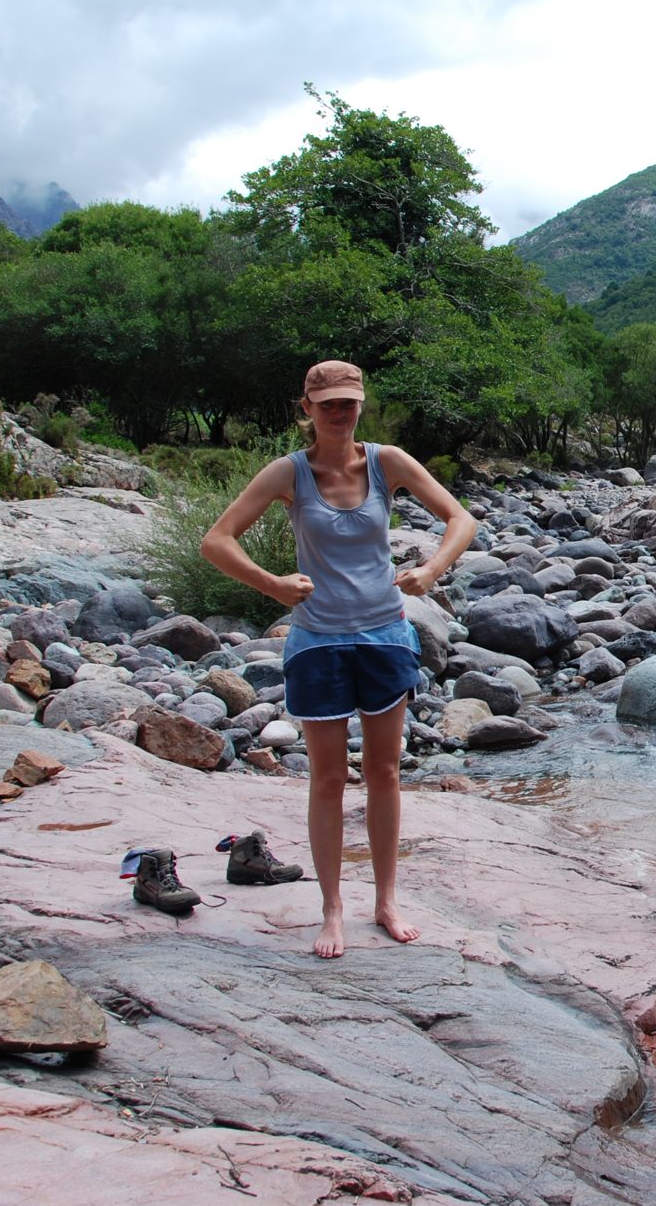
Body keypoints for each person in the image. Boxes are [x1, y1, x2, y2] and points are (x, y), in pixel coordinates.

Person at [201, 360, 477, 958]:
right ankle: (331, 908)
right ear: (307, 408)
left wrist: (431, 569)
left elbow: (461, 519)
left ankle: (386, 901)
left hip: (383, 635)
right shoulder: (290, 473)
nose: (339, 412)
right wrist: (272, 585)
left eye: (348, 402)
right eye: (326, 403)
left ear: (359, 405)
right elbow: (215, 541)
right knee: (327, 779)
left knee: (384, 772)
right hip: (318, 640)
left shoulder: (387, 463)